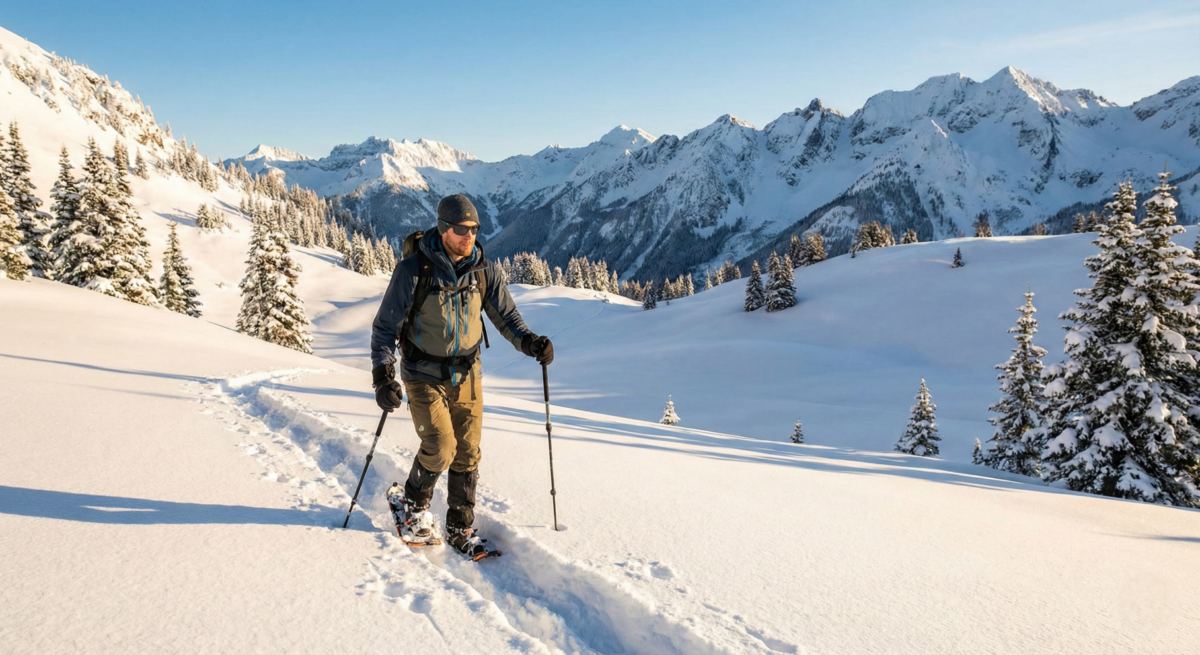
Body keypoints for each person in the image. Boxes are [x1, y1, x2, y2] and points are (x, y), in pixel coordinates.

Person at [370, 194, 553, 558]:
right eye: (460, 229)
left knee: (468, 452)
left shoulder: (483, 270)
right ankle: (413, 505)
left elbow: (506, 317)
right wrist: (383, 374)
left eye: (474, 229)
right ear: (443, 228)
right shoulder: (414, 270)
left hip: (468, 373)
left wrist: (530, 342)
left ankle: (459, 525)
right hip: (423, 373)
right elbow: (384, 327)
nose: (468, 235)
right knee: (441, 446)